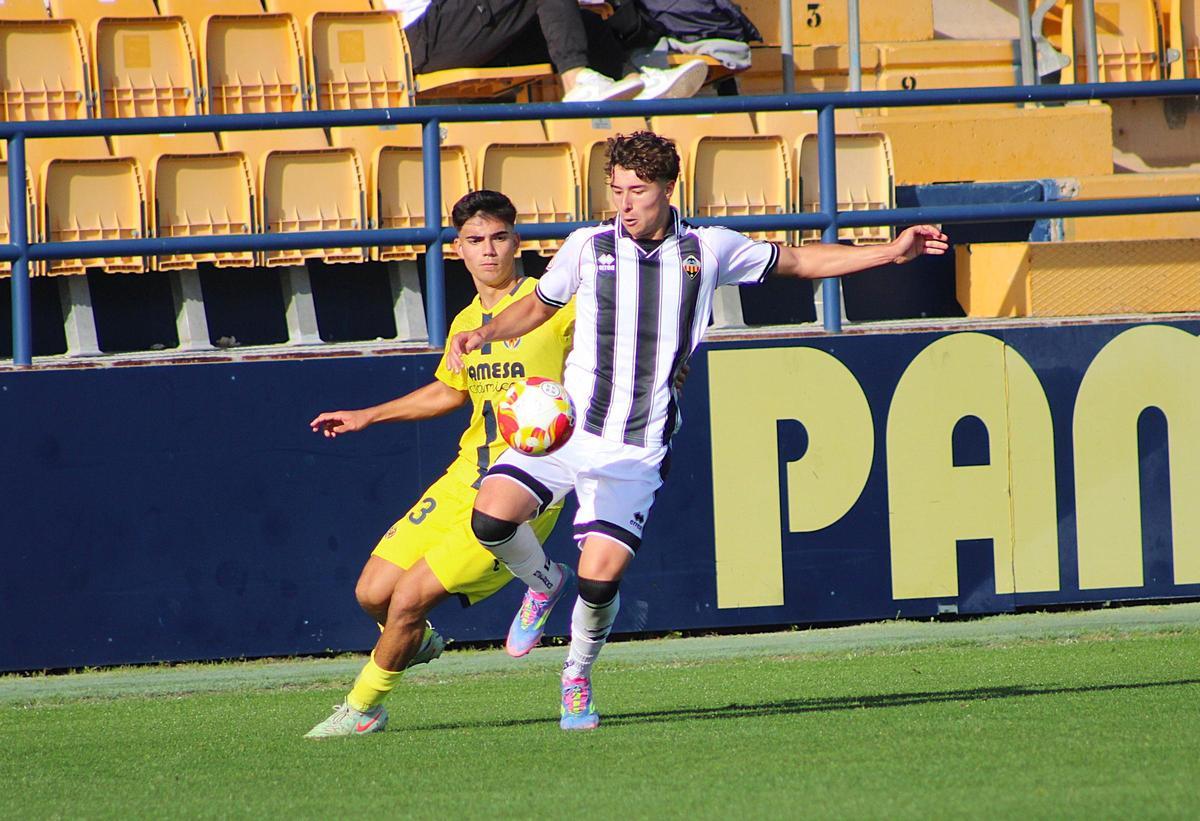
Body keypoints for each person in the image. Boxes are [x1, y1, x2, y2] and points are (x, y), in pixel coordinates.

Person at [446, 130, 949, 731]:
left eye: (637, 190)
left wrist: (887, 253)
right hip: (568, 428)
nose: (624, 204)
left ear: (667, 188)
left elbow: (797, 260)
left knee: (600, 578)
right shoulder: (586, 246)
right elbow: (540, 305)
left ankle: (576, 675)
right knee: (491, 518)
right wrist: (487, 331)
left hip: (635, 447)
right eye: (615, 190)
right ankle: (541, 582)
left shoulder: (709, 250)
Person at [304, 190, 576, 738]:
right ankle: (416, 642)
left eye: (499, 238)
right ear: (459, 249)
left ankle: (363, 708)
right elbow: (449, 393)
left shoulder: (557, 307)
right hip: (462, 479)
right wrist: (368, 415)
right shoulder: (466, 322)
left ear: (517, 242)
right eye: (476, 241)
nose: (490, 251)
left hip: (524, 488)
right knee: (372, 593)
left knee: (407, 598)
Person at [388, 0, 709, 102]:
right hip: (425, 33)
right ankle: (576, 81)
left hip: (457, 31)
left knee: (582, 20)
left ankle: (634, 81)